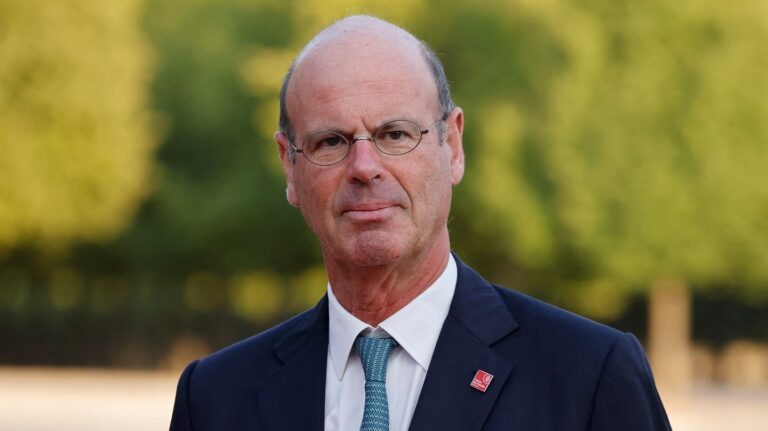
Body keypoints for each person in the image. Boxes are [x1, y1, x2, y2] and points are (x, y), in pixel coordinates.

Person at [170, 15, 671, 431]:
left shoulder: (588, 376)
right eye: (331, 141)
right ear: (290, 167)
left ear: (452, 146)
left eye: (395, 134)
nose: (365, 167)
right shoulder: (215, 398)